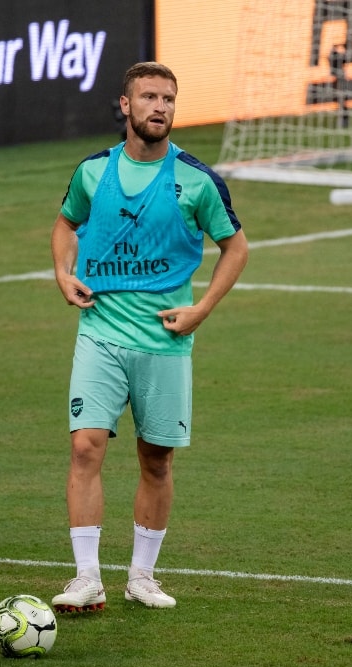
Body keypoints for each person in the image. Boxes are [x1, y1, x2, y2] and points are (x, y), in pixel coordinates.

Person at [50, 61, 248, 611]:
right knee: (85, 447)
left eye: (168, 98)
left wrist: (202, 308)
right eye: (149, 97)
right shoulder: (93, 172)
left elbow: (236, 246)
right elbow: (66, 224)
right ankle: (87, 578)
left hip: (165, 342)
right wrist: (64, 273)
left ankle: (142, 575)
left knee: (156, 459)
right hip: (101, 334)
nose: (160, 107)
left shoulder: (197, 180)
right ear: (125, 105)